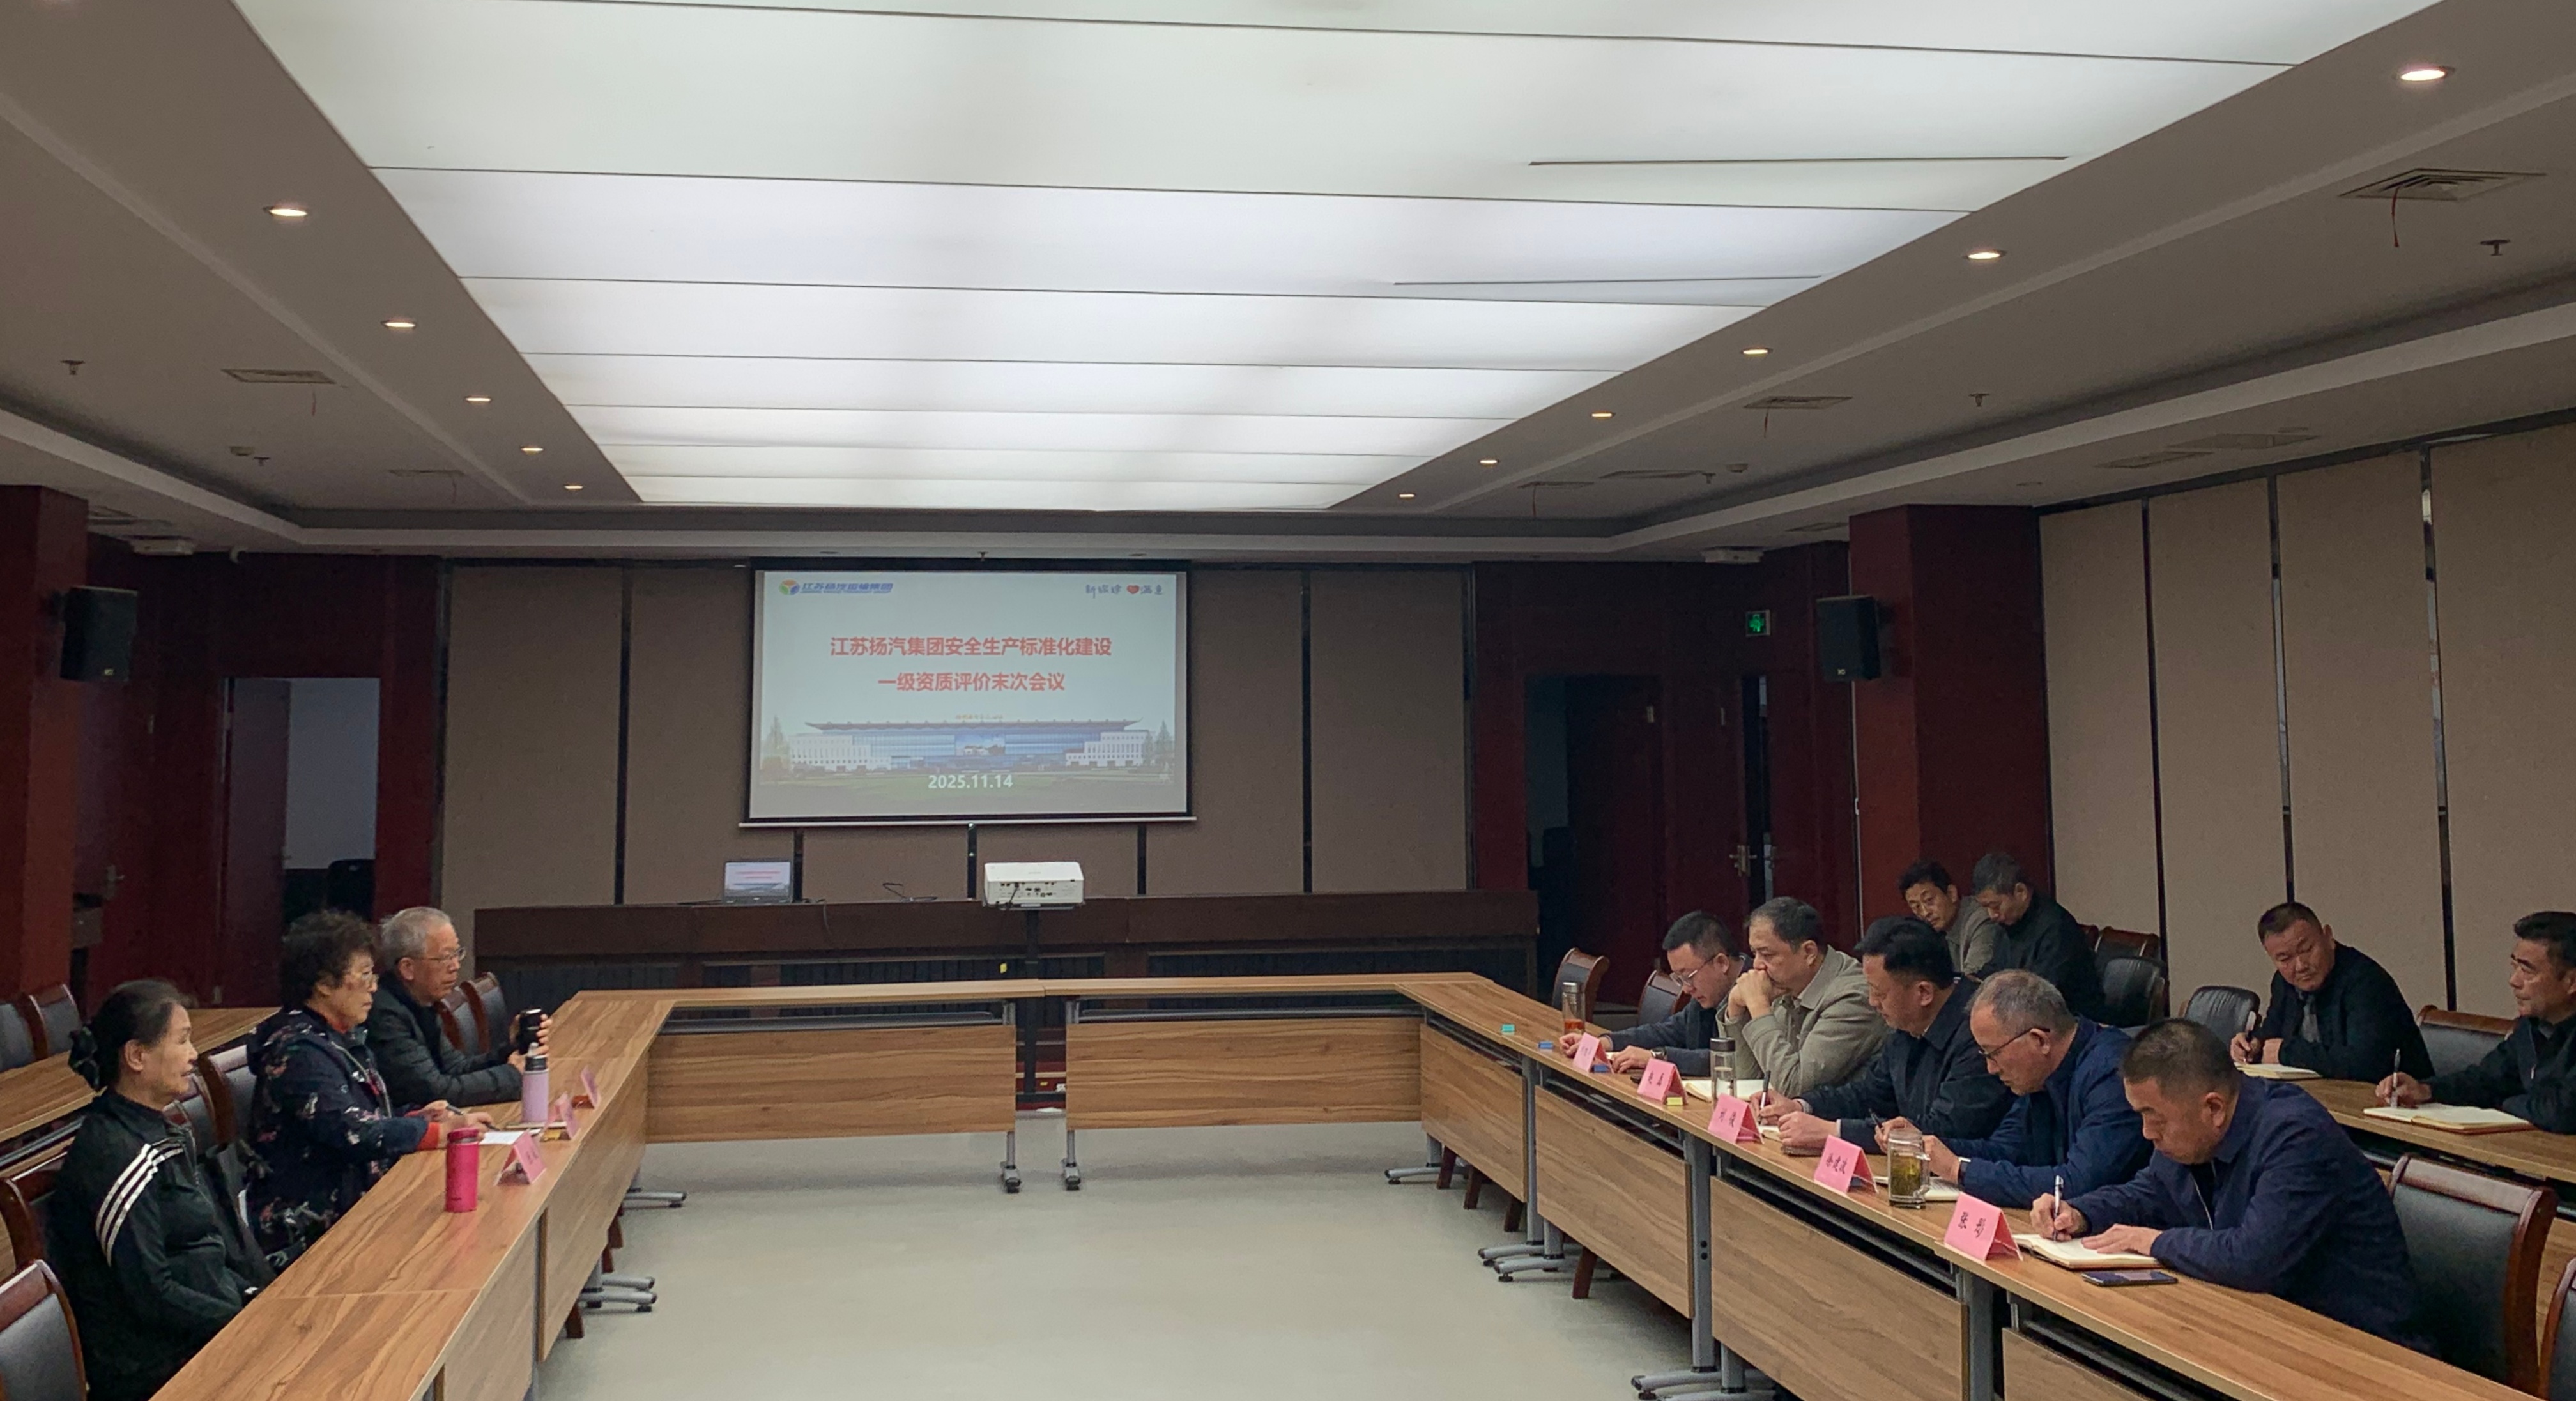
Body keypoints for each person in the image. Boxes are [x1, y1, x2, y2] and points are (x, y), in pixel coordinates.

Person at [2035, 1018, 2428, 1351]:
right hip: (2272, 1330)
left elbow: (2254, 1259)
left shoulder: (2295, 1136)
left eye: (2154, 1117)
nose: (2146, 1132)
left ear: (2214, 1108)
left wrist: (2154, 1242)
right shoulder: (2195, 1135)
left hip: (2366, 1349)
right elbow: (2151, 1192)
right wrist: (2082, 1213)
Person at [50, 981, 263, 1401]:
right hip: (158, 1368)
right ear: (136, 1056)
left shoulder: (163, 1131)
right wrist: (242, 1321)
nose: (194, 1054)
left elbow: (208, 1246)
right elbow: (151, 1293)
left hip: (206, 1330)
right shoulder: (114, 1154)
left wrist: (253, 1297)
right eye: (182, 1040)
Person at [247, 910, 492, 1264]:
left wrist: (415, 1117)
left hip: (357, 1206)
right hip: (311, 1230)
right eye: (364, 975)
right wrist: (438, 1133)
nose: (374, 986)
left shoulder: (338, 1037)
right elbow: (352, 1132)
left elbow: (364, 1115)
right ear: (324, 984)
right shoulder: (298, 1052)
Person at [1767, 915, 2009, 1152]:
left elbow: (1945, 1129)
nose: (1872, 1002)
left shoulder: (1980, 1031)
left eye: (1880, 993)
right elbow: (1871, 1093)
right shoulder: (1908, 1024)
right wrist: (1803, 1106)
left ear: (1924, 993)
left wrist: (1835, 1132)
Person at [1924, 970, 2150, 1209]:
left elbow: (2078, 1183)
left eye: (1993, 1054)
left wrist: (1959, 1170)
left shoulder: (2113, 1074)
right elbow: (2006, 1150)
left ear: (2039, 1040)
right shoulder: (2038, 1076)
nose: (1990, 1069)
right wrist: (1925, 1148)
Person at [2379, 910, 2576, 1131]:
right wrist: (2426, 1090)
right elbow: (2486, 1080)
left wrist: (2502, 1103)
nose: (2514, 981)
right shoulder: (2532, 1026)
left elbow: (2562, 1112)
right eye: (2514, 968)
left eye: (2527, 971)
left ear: (2572, 982)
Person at [367, 906, 548, 1114]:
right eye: (445, 958)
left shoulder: (421, 1002)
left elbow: (456, 1068)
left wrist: (512, 1049)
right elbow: (435, 1091)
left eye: (457, 954)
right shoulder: (385, 1016)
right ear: (408, 968)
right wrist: (512, 1075)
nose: (455, 966)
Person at [2230, 901, 2430, 1082]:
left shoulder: (2366, 982)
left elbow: (2365, 1064)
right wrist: (2252, 1045)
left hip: (2393, 1101)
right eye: (2284, 959)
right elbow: (2272, 1033)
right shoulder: (2284, 982)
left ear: (2328, 937)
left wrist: (2286, 1053)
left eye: (2307, 949)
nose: (2300, 966)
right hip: (2322, 1096)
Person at [1719, 897, 1886, 1100]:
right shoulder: (1786, 986)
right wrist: (1736, 1009)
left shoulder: (1853, 999)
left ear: (1809, 952)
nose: (1757, 966)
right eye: (1755, 953)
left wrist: (1758, 1007)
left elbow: (1794, 1087)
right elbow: (1749, 1080)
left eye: (1767, 955)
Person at [1563, 912, 1742, 1077]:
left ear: (1721, 963)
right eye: (1679, 979)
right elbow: (1667, 1031)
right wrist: (1606, 1042)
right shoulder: (1707, 993)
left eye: (1688, 976)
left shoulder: (1752, 990)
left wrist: (1658, 1057)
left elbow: (1733, 1059)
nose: (1686, 989)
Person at [1970, 852, 2107, 1023]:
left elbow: (2041, 995)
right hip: (2022, 1014)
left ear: (2020, 892)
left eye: (1996, 906)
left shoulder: (2057, 928)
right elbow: (1995, 970)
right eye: (1986, 908)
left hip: (2070, 1021)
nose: (1992, 915)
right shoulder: (2008, 924)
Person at [1901, 859, 1999, 978]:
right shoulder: (1930, 931)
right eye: (1916, 907)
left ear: (1952, 894)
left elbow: (1974, 980)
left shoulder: (1981, 921)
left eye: (1929, 900)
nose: (1925, 913)